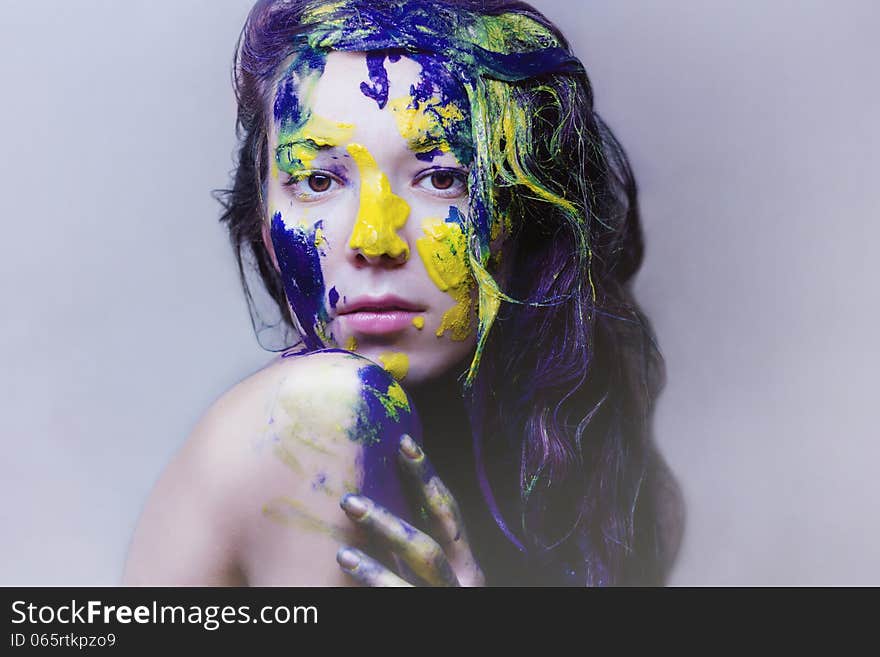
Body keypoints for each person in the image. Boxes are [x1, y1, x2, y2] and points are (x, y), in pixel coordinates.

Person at [123, 0, 684, 587]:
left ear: (528, 211)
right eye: (317, 180)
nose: (375, 239)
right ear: (263, 218)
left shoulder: (596, 486)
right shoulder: (319, 417)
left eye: (443, 178)